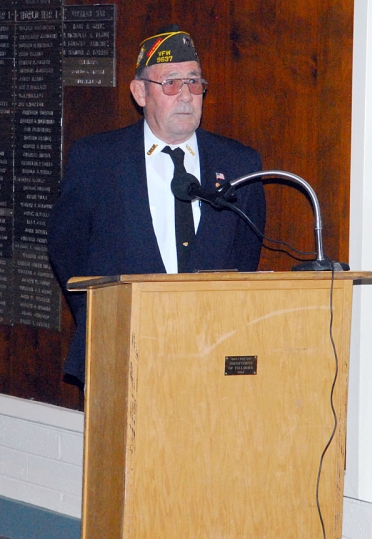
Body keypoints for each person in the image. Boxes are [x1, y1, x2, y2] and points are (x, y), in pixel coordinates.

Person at [47, 26, 266, 384]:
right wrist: (101, 321)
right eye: (171, 82)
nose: (186, 95)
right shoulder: (97, 160)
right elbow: (67, 248)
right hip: (122, 351)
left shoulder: (240, 163)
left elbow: (246, 252)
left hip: (214, 356)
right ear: (139, 92)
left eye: (194, 82)